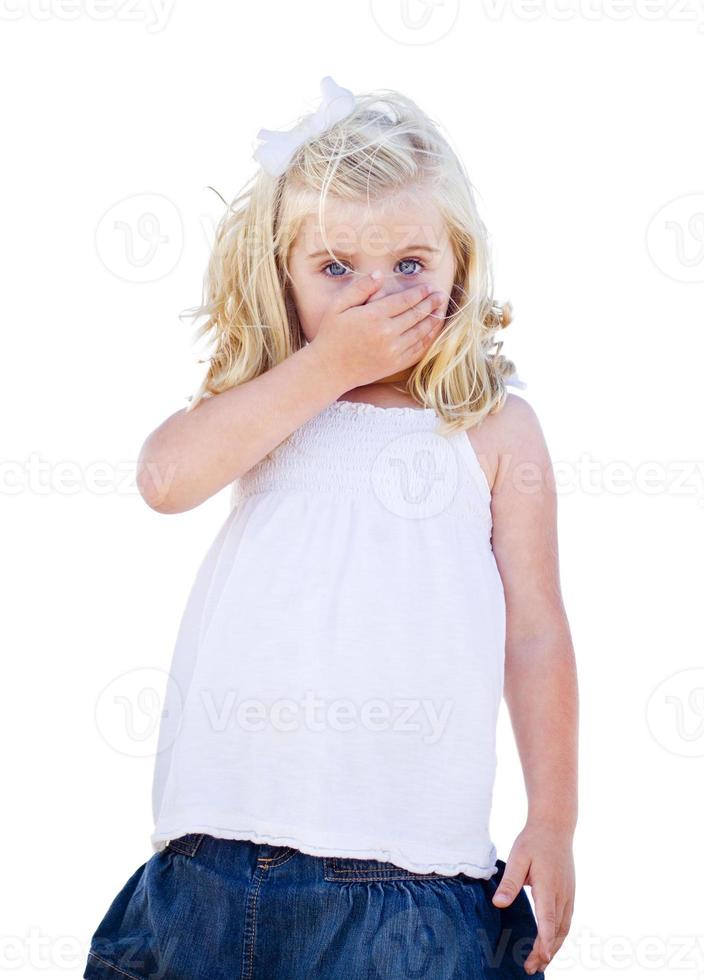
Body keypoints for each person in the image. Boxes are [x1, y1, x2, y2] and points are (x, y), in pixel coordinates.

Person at [83, 76, 577, 979]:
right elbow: (164, 480)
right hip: (214, 863)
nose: (372, 300)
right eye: (336, 268)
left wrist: (554, 816)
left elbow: (537, 632)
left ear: (461, 270)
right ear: (284, 275)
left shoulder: (492, 427)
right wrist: (323, 370)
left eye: (411, 267)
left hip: (405, 881)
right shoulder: (270, 407)